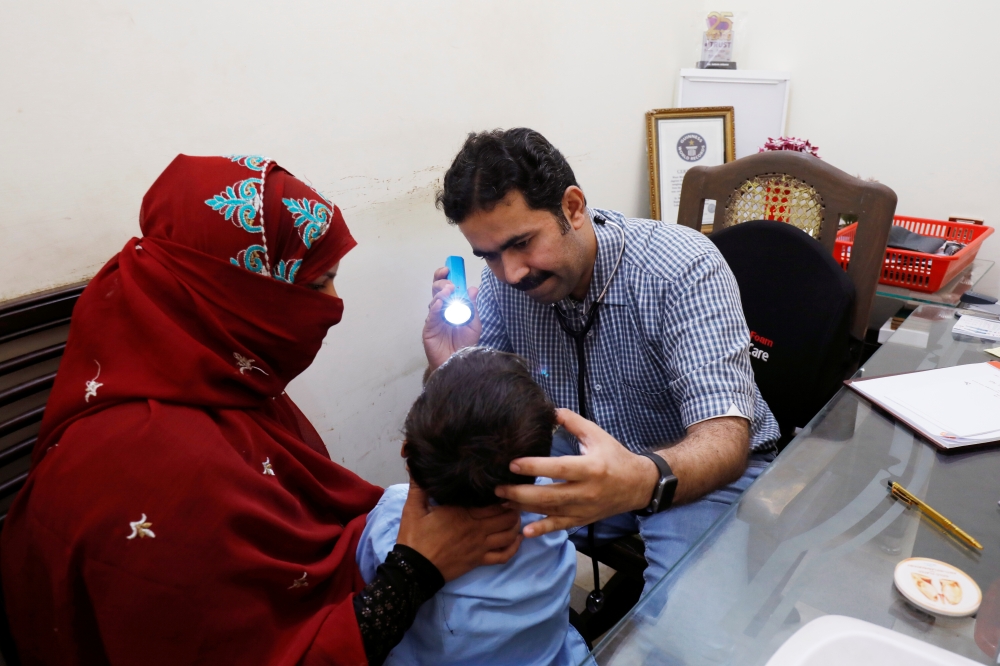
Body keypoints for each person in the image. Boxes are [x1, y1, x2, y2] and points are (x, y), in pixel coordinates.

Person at [1, 154, 521, 666]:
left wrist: (450, 366)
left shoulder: (207, 365)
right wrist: (415, 571)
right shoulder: (153, 467)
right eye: (317, 283)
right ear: (232, 289)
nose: (333, 307)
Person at [422, 128, 781, 593]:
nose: (510, 273)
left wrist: (638, 479)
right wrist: (451, 367)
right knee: (453, 544)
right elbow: (480, 426)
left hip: (702, 472)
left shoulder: (682, 267)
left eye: (522, 243)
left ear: (572, 207)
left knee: (691, 646)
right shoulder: (502, 286)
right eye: (489, 256)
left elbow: (725, 437)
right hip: (576, 455)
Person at [356, 348, 591, 666]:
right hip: (550, 654)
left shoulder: (393, 516)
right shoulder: (548, 497)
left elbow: (369, 578)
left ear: (408, 451)